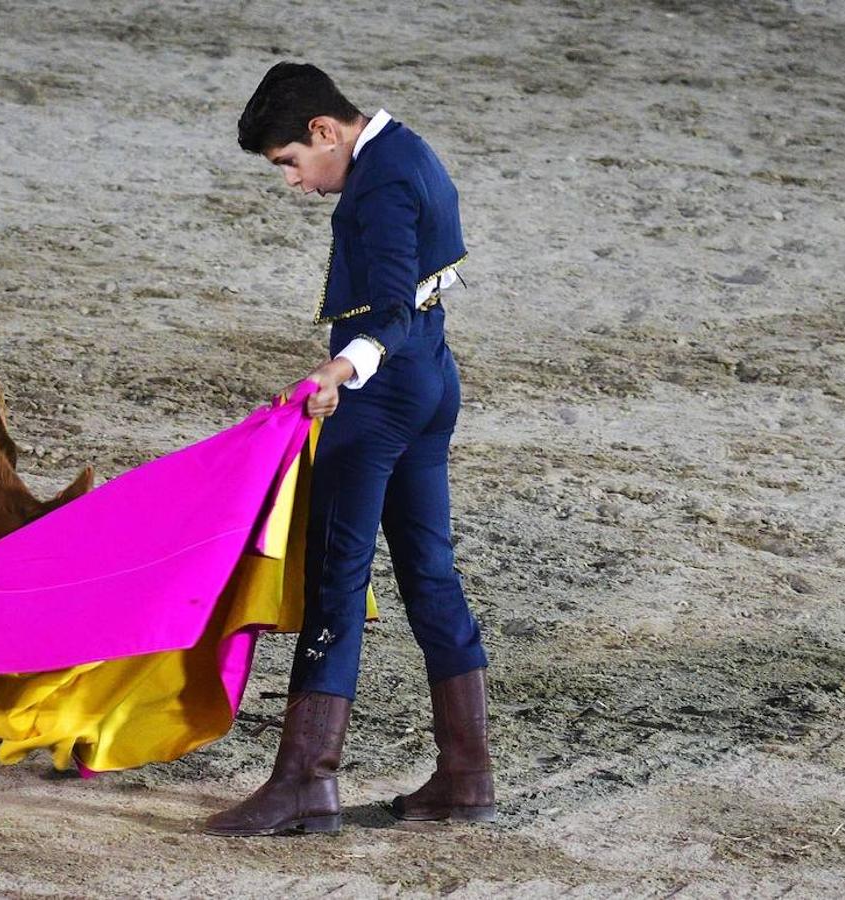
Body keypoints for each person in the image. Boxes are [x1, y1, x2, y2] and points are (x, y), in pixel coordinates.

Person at [203, 62, 494, 837]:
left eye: (290, 162)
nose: (294, 183)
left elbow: (394, 304)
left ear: (324, 131)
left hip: (382, 394)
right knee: (431, 573)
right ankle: (467, 776)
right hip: (434, 381)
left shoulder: (382, 186)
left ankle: (305, 780)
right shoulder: (412, 152)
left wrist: (343, 365)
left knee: (336, 576)